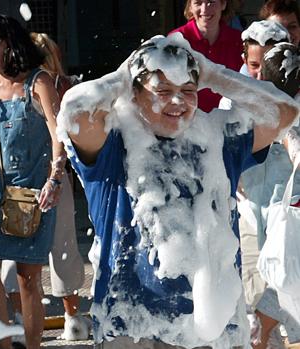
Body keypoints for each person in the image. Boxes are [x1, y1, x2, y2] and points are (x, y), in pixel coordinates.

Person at [56, 33, 299, 348]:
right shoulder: (115, 145)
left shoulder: (218, 139)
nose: (177, 102)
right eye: (163, 91)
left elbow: (284, 112)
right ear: (134, 93)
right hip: (133, 325)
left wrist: (213, 74)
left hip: (213, 328)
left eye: (188, 90)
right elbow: (74, 111)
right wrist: (122, 76)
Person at [0, 13, 65, 349]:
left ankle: (34, 346)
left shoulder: (40, 83)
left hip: (34, 193)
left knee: (28, 279)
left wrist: (55, 179)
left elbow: (58, 134)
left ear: (4, 43)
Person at [0, 32, 89, 343]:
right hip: (32, 178)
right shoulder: (26, 86)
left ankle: (61, 318)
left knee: (57, 246)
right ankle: (64, 317)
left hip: (49, 174)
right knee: (45, 248)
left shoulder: (59, 87)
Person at [239, 42, 300, 349]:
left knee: (286, 287)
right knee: (257, 301)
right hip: (252, 213)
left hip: (290, 219)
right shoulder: (244, 105)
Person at [170, 0, 243, 112]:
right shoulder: (177, 40)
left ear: (223, 4)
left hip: (229, 119)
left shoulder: (238, 41)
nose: (204, 9)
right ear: (190, 7)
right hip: (189, 120)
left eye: (211, 2)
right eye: (198, 3)